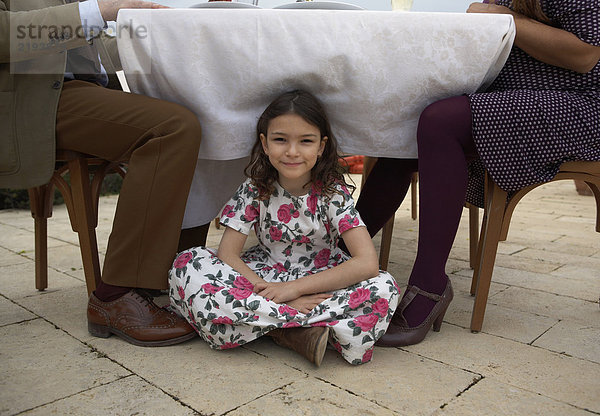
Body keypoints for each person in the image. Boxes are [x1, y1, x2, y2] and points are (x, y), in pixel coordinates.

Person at [355, 0, 600, 347]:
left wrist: (506, 17)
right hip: (513, 96)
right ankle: (339, 256)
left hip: (578, 105)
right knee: (407, 129)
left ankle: (430, 284)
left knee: (439, 122)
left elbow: (586, 54)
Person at [1, 0, 205, 346]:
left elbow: (91, 54)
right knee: (172, 128)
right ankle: (115, 296)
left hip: (83, 92)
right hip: (32, 102)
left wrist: (165, 33)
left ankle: (177, 273)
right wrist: (101, 10)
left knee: (199, 113)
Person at [168, 90, 400, 366]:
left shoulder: (332, 193)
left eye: (305, 141)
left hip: (319, 280)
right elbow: (228, 254)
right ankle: (299, 328)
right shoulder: (254, 189)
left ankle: (266, 325)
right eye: (280, 140)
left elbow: (367, 263)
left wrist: (294, 289)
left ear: (321, 147)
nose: (292, 152)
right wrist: (270, 291)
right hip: (263, 279)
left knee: (384, 288)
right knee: (186, 265)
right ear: (265, 144)